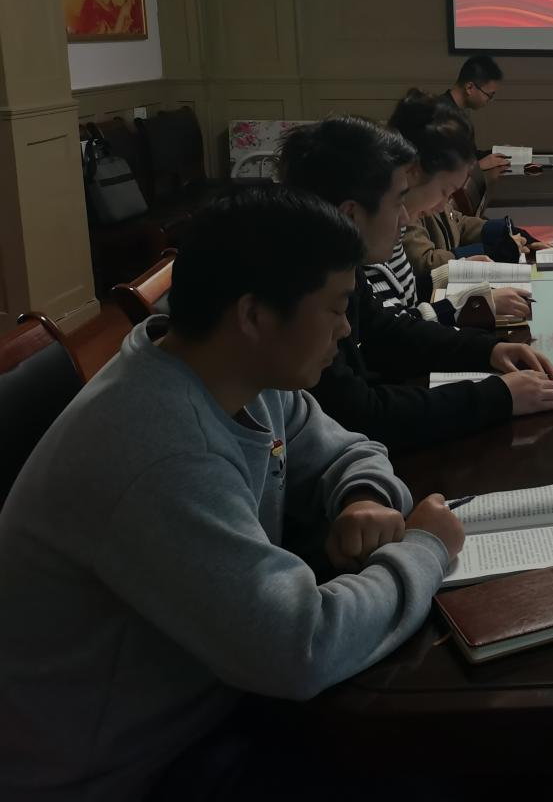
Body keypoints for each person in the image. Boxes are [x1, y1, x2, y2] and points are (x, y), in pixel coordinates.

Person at [0, 186, 467, 799]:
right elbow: (301, 647)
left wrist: (363, 499)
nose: (346, 328)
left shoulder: (234, 371)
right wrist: (426, 549)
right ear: (253, 315)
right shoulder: (159, 447)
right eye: (335, 308)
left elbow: (347, 449)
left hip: (209, 698)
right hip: (127, 771)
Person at [278, 116, 553, 451]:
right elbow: (362, 415)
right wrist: (497, 396)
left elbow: (388, 333)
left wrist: (489, 350)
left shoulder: (337, 262)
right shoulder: (300, 291)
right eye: (398, 202)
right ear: (350, 214)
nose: (406, 218)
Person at [367, 89, 535, 325]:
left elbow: (407, 295)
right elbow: (395, 328)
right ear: (413, 171)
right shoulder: (382, 230)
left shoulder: (395, 221)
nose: (442, 205)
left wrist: (460, 268)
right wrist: (472, 304)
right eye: (446, 191)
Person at [444, 53, 508, 213]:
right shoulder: (441, 116)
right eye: (489, 95)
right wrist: (477, 166)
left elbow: (469, 154)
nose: (489, 101)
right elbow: (441, 169)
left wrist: (494, 153)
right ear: (469, 87)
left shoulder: (458, 112)